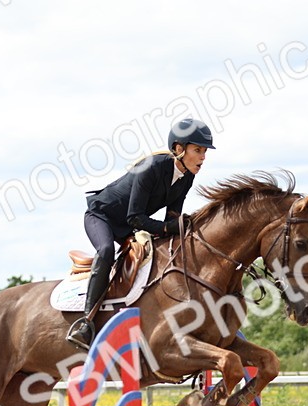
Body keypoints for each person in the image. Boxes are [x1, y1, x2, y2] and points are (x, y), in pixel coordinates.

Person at [65, 118, 215, 350]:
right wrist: (168, 228)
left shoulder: (187, 177)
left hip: (130, 227)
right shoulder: (153, 167)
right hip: (102, 217)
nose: (203, 157)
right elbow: (134, 217)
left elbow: (172, 218)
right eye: (198, 150)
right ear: (178, 149)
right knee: (106, 251)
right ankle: (85, 322)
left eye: (204, 151)